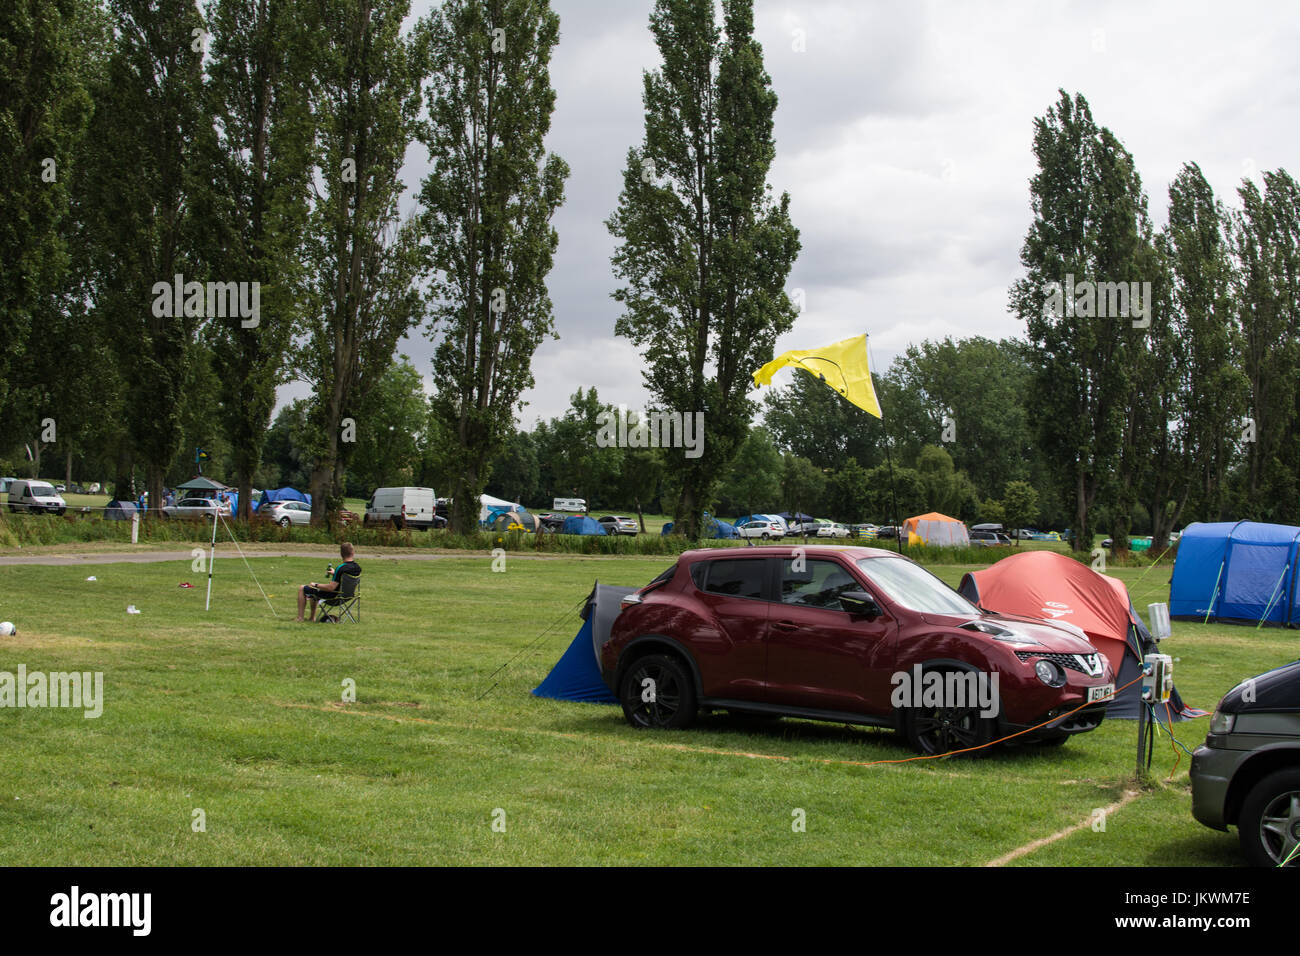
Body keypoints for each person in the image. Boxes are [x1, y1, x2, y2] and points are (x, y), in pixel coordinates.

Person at [297, 542, 361, 622]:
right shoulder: (357, 567)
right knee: (314, 591)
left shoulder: (341, 568)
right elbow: (345, 579)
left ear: (341, 554)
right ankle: (311, 618)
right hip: (349, 595)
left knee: (303, 588)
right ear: (353, 553)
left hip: (334, 596)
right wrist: (335, 574)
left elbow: (331, 588)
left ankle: (300, 618)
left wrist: (315, 584)